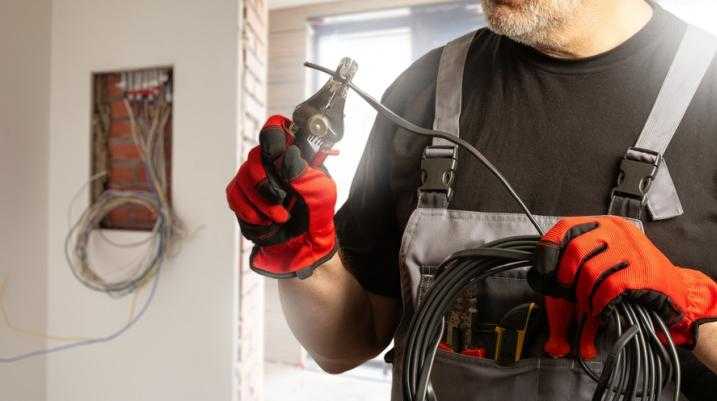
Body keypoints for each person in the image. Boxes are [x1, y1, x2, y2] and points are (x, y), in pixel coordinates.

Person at [226, 0, 717, 399]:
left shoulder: (709, 91)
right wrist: (303, 255)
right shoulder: (423, 89)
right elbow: (342, 350)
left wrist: (690, 307)